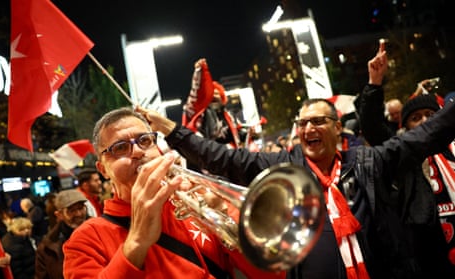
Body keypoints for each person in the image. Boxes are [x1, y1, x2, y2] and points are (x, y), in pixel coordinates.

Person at [139, 84, 455, 279]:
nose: (307, 129)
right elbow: (224, 159)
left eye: (317, 121)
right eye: (301, 123)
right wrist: (171, 129)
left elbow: (424, 136)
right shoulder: (282, 167)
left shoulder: (369, 162)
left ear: (337, 128)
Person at [62, 108, 285, 279]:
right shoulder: (85, 241)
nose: (138, 152)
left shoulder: (194, 206)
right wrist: (136, 242)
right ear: (104, 170)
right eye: (120, 147)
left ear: (158, 149)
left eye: (145, 141)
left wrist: (226, 215)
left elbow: (273, 275)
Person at [357, 41, 455, 276]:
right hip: (431, 254)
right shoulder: (402, 155)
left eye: (431, 116)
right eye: (416, 118)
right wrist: (374, 82)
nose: (425, 122)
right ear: (405, 127)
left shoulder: (453, 149)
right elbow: (371, 126)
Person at [182, 58, 243, 149]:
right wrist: (198, 73)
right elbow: (194, 98)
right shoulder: (200, 114)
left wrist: (248, 134)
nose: (214, 96)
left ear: (222, 97)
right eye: (211, 94)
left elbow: (236, 134)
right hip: (208, 156)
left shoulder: (229, 116)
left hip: (229, 157)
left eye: (217, 93)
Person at [35, 189, 88, 279]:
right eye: (71, 211)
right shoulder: (47, 247)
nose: (78, 214)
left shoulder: (100, 230)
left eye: (80, 208)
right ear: (59, 215)